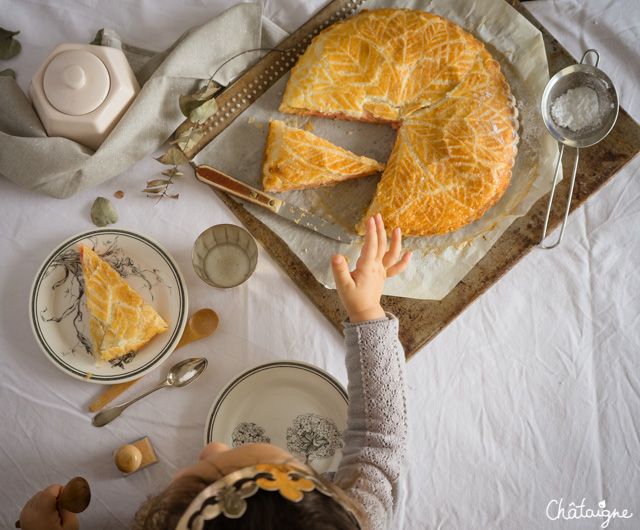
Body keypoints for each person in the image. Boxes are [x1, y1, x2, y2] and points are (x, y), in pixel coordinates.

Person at [18, 213, 412, 530]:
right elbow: (381, 441)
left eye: (200, 471)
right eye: (231, 458)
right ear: (332, 494)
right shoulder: (358, 515)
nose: (212, 447)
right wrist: (366, 312)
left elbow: (380, 445)